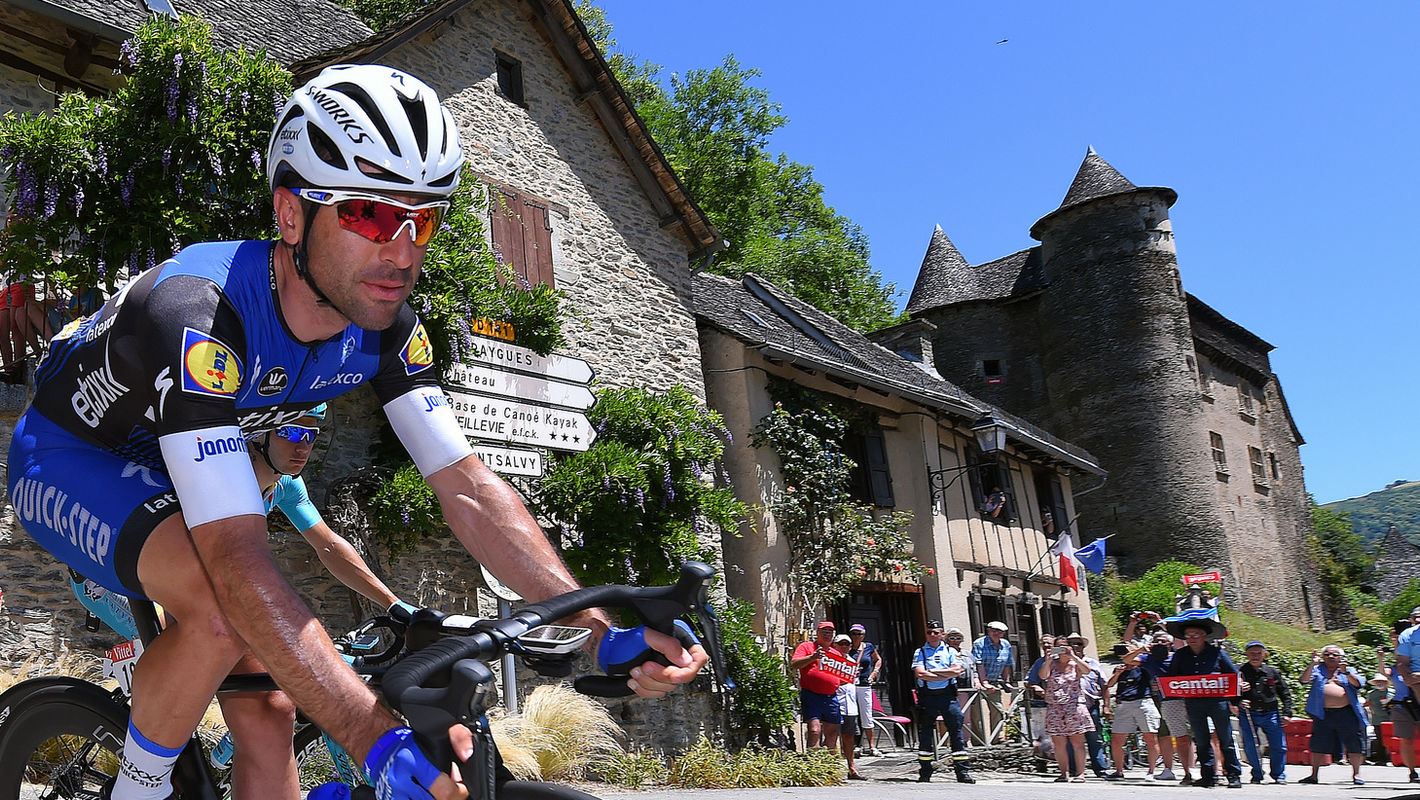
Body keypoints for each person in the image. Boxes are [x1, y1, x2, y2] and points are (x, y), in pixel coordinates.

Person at [8, 65, 708, 800]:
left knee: (276, 709)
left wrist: (599, 627)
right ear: (290, 215)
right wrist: (373, 738)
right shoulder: (199, 311)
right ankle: (138, 792)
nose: (402, 253)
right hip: (69, 458)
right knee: (220, 609)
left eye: (423, 220)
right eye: (370, 216)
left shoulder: (386, 332)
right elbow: (237, 558)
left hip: (173, 468)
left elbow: (468, 488)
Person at [1136, 618, 1241, 788]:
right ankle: (1207, 776)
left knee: (1225, 738)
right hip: (1194, 703)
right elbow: (1172, 677)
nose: (1191, 638)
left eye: (1196, 635)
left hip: (1217, 702)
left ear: (1204, 636)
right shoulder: (1181, 655)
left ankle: (1233, 774)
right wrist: (1161, 684)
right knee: (1201, 739)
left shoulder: (1218, 653)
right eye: (1188, 635)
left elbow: (1233, 675)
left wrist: (1237, 696)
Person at [911, 620, 974, 783]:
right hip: (928, 697)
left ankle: (962, 772)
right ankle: (925, 773)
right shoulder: (920, 652)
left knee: (956, 733)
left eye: (935, 632)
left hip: (947, 697)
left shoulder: (950, 650)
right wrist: (945, 674)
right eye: (929, 632)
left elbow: (957, 671)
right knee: (925, 736)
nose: (932, 635)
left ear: (942, 634)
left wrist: (932, 671)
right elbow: (920, 674)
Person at [1299, 645, 1368, 785]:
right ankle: (1314, 775)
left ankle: (1357, 774)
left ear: (1341, 657)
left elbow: (1358, 684)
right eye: (1327, 654)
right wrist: (1312, 663)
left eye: (1334, 655)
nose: (1331, 657)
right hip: (1323, 713)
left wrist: (1346, 673)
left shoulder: (1348, 670)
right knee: (1317, 743)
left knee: (1354, 743)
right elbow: (1304, 680)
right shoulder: (1318, 669)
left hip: (1346, 712)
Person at [1235, 640, 1292, 784]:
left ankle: (1279, 774)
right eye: (1252, 653)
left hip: (1270, 712)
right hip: (1248, 713)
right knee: (1251, 745)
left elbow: (1284, 692)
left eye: (1258, 653)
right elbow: (1229, 692)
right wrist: (1238, 700)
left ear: (1264, 655)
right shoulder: (1239, 672)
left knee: (1279, 745)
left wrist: (1287, 712)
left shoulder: (1272, 671)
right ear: (1246, 654)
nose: (1255, 656)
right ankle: (1257, 773)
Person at [1039, 633, 1094, 782]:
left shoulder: (1076, 664)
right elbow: (1043, 676)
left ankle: (1081, 773)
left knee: (1077, 741)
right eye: (1059, 647)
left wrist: (1073, 656)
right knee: (1058, 743)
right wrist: (1048, 659)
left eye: (1064, 647)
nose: (1061, 650)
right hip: (1055, 707)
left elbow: (1087, 671)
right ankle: (1064, 773)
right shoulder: (1051, 663)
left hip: (1074, 706)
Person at [1103, 642, 1162, 781]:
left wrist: (1140, 652)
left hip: (1143, 702)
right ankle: (1118, 771)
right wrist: (1118, 673)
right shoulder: (1121, 668)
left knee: (1150, 738)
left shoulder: (1144, 667)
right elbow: (1109, 685)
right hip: (1124, 704)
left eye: (1128, 649)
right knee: (1117, 739)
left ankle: (1151, 771)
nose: (1125, 652)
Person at [789, 622, 846, 750]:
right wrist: (813, 657)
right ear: (817, 633)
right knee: (815, 730)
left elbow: (840, 679)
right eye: (824, 631)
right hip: (812, 695)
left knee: (833, 732)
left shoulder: (836, 654)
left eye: (830, 632)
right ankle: (813, 761)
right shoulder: (807, 646)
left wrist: (851, 676)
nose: (827, 635)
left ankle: (827, 763)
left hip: (831, 697)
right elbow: (794, 664)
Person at [1067, 632, 1110, 777]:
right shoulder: (1062, 664)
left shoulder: (1093, 663)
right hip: (1071, 706)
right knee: (1071, 740)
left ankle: (1100, 769)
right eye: (1071, 644)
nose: (1075, 647)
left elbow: (1104, 685)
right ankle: (1074, 770)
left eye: (1078, 644)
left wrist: (1106, 706)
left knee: (1094, 738)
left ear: (1083, 647)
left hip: (1091, 705)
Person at [972, 619, 1014, 744]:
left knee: (998, 709)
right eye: (993, 630)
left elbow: (1007, 664)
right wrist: (983, 682)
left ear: (1003, 633)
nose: (995, 633)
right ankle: (979, 741)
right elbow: (979, 664)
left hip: (995, 681)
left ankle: (997, 737)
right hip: (979, 683)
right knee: (977, 713)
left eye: (999, 631)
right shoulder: (979, 643)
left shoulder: (1006, 645)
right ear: (988, 631)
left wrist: (1006, 682)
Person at [832, 634, 866, 779]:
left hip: (850, 705)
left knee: (849, 737)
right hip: (835, 702)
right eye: (841, 643)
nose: (844, 646)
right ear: (835, 645)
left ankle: (852, 768)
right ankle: (831, 769)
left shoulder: (852, 661)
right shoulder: (831, 660)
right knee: (832, 737)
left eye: (847, 644)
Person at [847, 623, 884, 757]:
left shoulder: (868, 647)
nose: (856, 636)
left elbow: (878, 659)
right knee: (852, 714)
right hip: (849, 685)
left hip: (864, 683)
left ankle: (872, 746)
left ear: (864, 635)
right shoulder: (846, 647)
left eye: (859, 634)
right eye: (854, 633)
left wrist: (874, 672)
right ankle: (856, 745)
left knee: (866, 714)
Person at [1392, 612, 1420, 782]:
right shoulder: (1408, 635)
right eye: (1415, 617)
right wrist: (1410, 678)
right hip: (1407, 697)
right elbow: (1401, 663)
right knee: (1407, 739)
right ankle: (1412, 772)